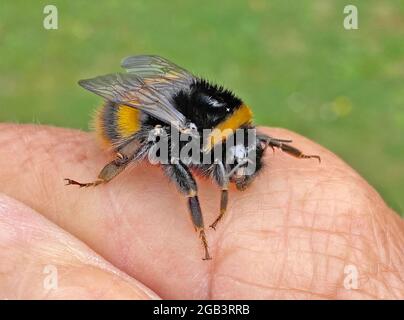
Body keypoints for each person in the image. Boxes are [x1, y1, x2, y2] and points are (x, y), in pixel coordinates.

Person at [0, 123, 402, 299]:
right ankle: (103, 179)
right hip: (133, 122)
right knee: (160, 150)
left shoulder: (230, 130)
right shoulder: (189, 141)